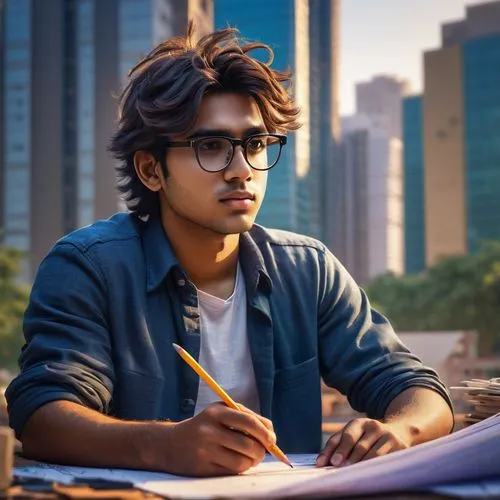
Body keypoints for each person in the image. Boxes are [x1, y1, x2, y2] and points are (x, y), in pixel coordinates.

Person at [6, 26, 453, 478]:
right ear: (150, 169)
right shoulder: (88, 266)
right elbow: (43, 417)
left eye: (255, 144)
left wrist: (399, 431)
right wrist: (164, 445)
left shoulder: (308, 270)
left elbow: (417, 389)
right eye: (211, 146)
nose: (242, 170)